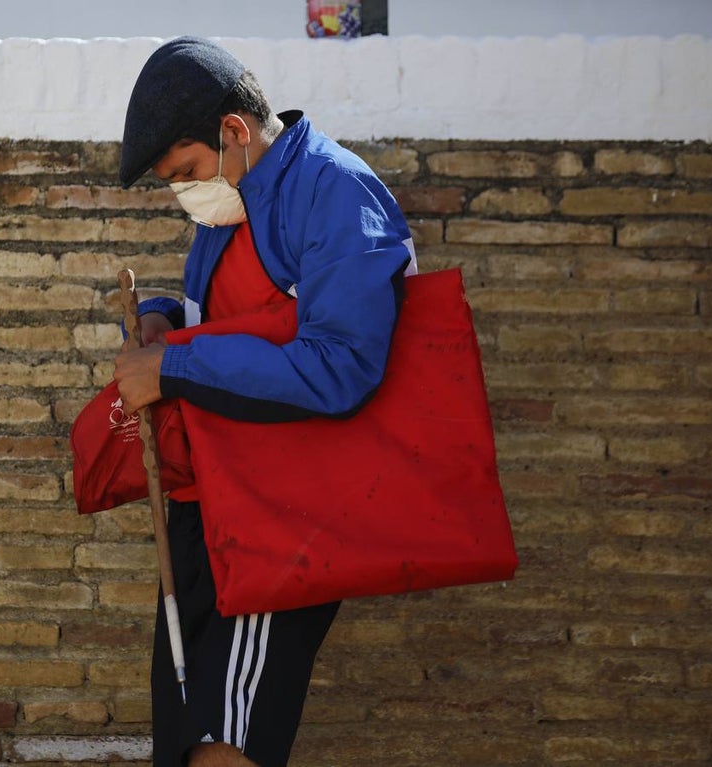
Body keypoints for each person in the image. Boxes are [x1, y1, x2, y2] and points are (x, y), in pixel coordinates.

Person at [112, 37, 417, 767]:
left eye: (186, 172)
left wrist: (175, 366)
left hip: (288, 511)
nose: (185, 192)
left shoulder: (335, 190)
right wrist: (166, 320)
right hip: (213, 506)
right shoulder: (227, 211)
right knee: (187, 736)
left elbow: (341, 363)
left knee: (226, 736)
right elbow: (236, 326)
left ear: (234, 132)